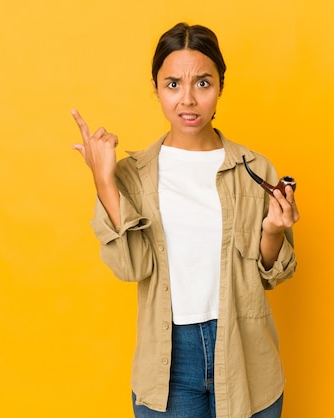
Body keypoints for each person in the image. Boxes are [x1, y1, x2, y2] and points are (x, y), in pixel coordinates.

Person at [71, 22, 299, 418]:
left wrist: (273, 231)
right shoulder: (134, 174)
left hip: (246, 353)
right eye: (173, 84)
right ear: (156, 88)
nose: (188, 99)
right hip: (169, 360)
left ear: (221, 87)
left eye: (203, 83)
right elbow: (131, 267)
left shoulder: (254, 168)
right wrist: (103, 180)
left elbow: (271, 275)